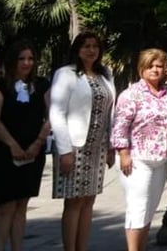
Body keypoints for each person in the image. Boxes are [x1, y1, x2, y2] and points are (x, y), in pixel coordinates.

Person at [49, 32, 117, 251]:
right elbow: (57, 112)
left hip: (97, 146)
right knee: (73, 202)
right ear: (77, 49)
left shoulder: (105, 74)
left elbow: (110, 113)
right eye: (86, 46)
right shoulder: (66, 74)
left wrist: (110, 147)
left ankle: (82, 247)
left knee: (89, 200)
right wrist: (64, 149)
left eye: (95, 46)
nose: (91, 50)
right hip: (74, 145)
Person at [0, 41, 52, 251]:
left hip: (33, 151)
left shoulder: (42, 85)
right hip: (4, 154)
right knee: (6, 206)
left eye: (30, 59)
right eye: (22, 58)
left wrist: (39, 142)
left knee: (22, 205)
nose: (26, 63)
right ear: (12, 61)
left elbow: (53, 115)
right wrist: (12, 144)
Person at [111, 49, 167, 251]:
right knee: (137, 208)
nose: (155, 70)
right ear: (142, 68)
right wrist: (123, 153)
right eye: (151, 66)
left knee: (150, 209)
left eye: (159, 66)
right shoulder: (131, 94)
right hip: (137, 159)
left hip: (161, 158)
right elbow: (120, 125)